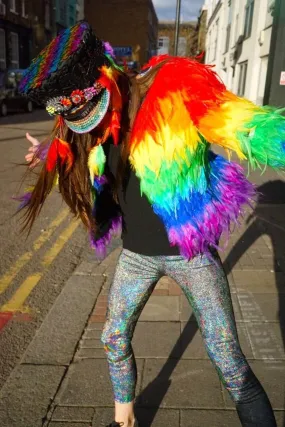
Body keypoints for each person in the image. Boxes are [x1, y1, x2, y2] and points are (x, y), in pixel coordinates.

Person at [17, 21, 285, 427]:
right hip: (135, 255)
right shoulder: (91, 118)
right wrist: (48, 154)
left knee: (227, 357)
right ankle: (124, 422)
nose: (88, 123)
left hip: (189, 255)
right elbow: (76, 139)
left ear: (106, 76)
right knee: (112, 337)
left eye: (91, 111)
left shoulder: (174, 89)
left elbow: (244, 124)